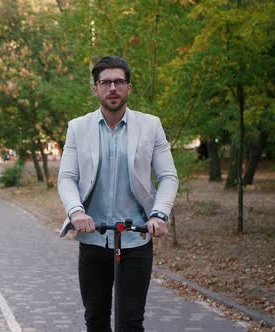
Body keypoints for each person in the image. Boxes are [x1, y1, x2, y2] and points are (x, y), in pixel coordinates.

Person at [57, 56, 178, 332]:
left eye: (119, 81)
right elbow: (67, 177)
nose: (113, 87)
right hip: (93, 238)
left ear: (128, 87)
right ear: (96, 89)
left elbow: (168, 176)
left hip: (135, 238)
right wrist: (76, 211)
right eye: (106, 82)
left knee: (131, 321)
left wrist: (159, 215)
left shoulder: (150, 125)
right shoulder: (78, 127)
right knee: (96, 319)